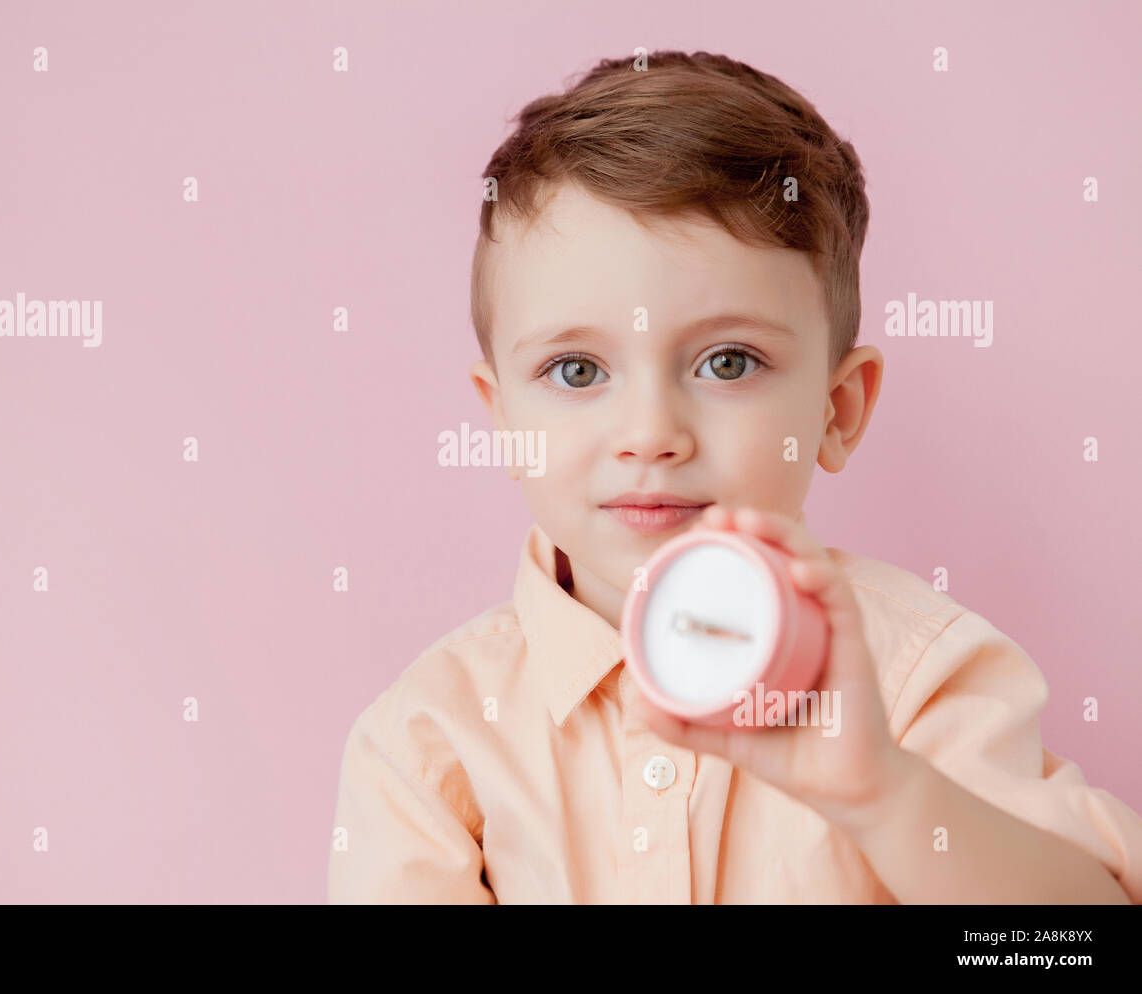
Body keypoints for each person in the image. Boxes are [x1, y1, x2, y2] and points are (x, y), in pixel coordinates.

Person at [328, 49, 1142, 903]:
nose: (650, 435)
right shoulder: (430, 741)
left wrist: (884, 792)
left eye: (726, 362)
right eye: (576, 371)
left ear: (837, 409)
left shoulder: (914, 680)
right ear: (503, 419)